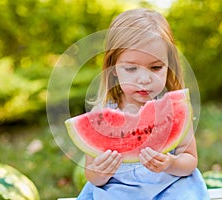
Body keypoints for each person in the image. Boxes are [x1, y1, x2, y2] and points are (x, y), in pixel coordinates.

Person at [77, 8, 209, 200]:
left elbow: (190, 159)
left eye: (156, 67)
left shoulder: (177, 110)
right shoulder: (102, 114)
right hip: (120, 190)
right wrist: (101, 172)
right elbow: (93, 176)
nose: (144, 79)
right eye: (131, 68)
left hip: (171, 187)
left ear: (168, 66)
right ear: (113, 69)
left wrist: (172, 163)